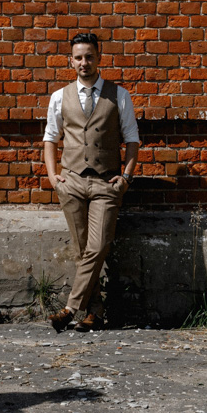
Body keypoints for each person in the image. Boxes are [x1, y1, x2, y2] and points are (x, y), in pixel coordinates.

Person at [41, 33, 140, 332]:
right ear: (71, 61)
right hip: (70, 181)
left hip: (105, 184)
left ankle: (71, 307)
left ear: (99, 58)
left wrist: (125, 177)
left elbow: (132, 139)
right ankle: (94, 313)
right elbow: (50, 138)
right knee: (83, 249)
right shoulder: (59, 96)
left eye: (90, 56)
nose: (84, 62)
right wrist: (52, 176)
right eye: (79, 57)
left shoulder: (119, 95)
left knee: (98, 246)